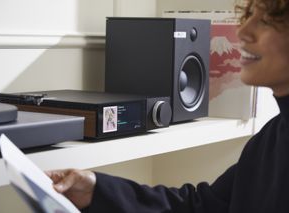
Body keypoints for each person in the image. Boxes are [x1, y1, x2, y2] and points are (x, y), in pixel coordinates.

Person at [46, 0, 289, 212]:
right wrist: (97, 191)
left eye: (266, 20)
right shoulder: (273, 135)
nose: (244, 31)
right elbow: (203, 206)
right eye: (250, 16)